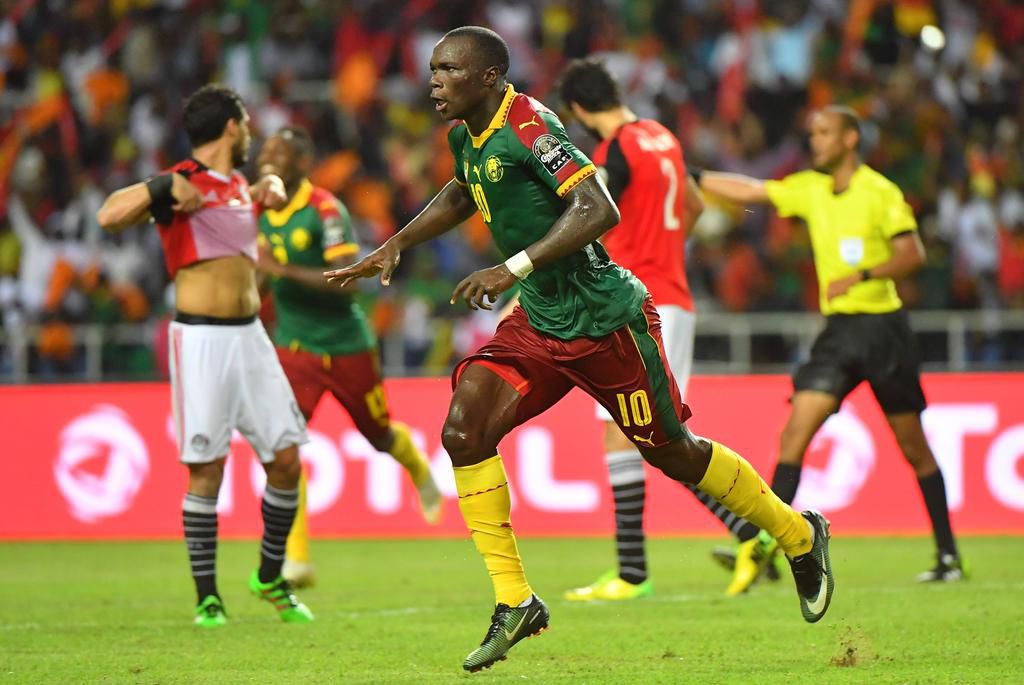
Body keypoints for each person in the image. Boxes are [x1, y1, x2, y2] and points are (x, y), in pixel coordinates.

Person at [326, 27, 834, 673]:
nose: (434, 81)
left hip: (605, 319)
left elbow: (599, 208)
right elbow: (464, 189)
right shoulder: (466, 135)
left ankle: (796, 533)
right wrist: (398, 241)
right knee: (464, 427)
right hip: (541, 322)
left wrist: (511, 267)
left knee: (671, 452)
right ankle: (516, 601)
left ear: (488, 78)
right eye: (432, 68)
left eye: (448, 69)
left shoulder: (532, 125)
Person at [697, 105, 966, 593]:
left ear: (849, 139)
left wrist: (861, 276)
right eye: (812, 133)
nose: (814, 141)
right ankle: (766, 547)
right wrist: (693, 173)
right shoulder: (810, 188)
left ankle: (948, 554)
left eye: (823, 133)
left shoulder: (880, 192)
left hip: (884, 329)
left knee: (914, 448)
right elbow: (752, 189)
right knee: (795, 433)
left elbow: (913, 254)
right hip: (838, 333)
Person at [96, 85, 314, 627]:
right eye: (247, 125)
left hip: (250, 337)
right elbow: (108, 215)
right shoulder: (179, 183)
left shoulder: (238, 184)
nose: (252, 135)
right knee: (206, 471)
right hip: (200, 340)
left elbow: (274, 198)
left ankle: (268, 577)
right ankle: (207, 597)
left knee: (287, 460)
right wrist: (158, 185)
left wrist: (268, 186)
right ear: (233, 127)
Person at [555, 59, 771, 602]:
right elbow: (694, 204)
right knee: (633, 430)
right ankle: (637, 570)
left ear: (579, 110)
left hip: (636, 303)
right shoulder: (661, 136)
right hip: (670, 295)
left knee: (658, 436)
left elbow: (589, 221)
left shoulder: (611, 152)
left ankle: (750, 534)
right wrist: (665, 250)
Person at [254, 127, 443, 587]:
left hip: (345, 343)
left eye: (280, 155)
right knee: (284, 443)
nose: (269, 162)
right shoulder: (258, 210)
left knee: (378, 435)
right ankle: (296, 559)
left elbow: (347, 277)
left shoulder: (324, 210)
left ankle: (419, 470)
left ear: (302, 163)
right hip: (296, 343)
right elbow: (258, 277)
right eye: (266, 154)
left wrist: (279, 271)